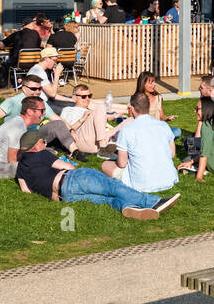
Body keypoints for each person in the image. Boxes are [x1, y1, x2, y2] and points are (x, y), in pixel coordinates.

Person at [15, 127, 179, 220]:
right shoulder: (41, 154)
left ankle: (128, 207)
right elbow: (69, 167)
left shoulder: (21, 167)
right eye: (43, 142)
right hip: (72, 179)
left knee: (106, 200)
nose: (45, 143)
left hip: (64, 197)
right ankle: (153, 202)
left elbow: (26, 191)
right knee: (113, 186)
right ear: (36, 146)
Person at [99, 91, 177, 192]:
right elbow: (172, 154)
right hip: (169, 178)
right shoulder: (164, 125)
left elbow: (122, 163)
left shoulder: (127, 130)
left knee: (105, 165)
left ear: (131, 109)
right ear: (148, 107)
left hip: (142, 183)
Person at [0, 75, 76, 152]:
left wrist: (71, 131)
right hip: (16, 139)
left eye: (39, 88)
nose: (37, 92)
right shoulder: (12, 101)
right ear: (24, 89)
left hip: (35, 135)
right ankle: (38, 150)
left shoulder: (41, 102)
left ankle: (75, 151)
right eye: (33, 89)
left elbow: (56, 118)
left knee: (58, 124)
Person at [58, 85, 120, 155]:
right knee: (101, 106)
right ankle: (103, 145)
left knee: (130, 119)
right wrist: (82, 119)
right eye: (83, 97)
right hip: (81, 140)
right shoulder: (68, 110)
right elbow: (63, 132)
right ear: (75, 98)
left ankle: (115, 144)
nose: (87, 99)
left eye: (89, 96)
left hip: (100, 137)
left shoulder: (92, 111)